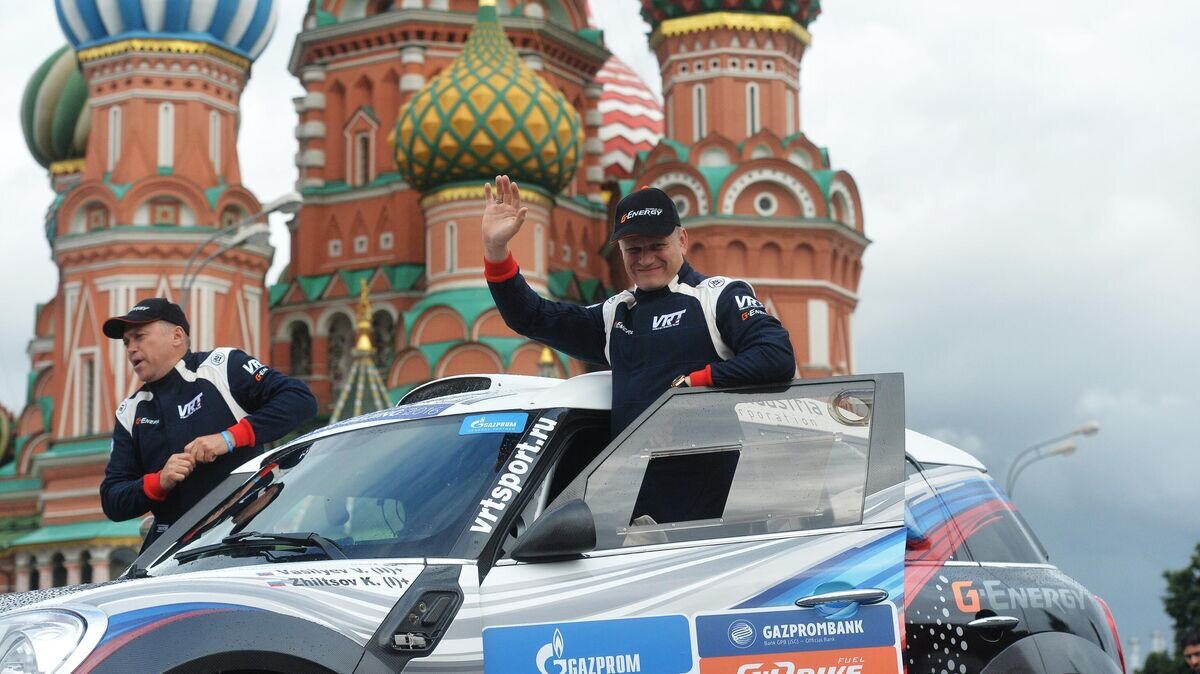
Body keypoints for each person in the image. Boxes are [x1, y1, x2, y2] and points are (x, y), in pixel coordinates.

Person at [482, 175, 796, 433]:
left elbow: (776, 356)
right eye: (633, 249)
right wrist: (496, 250)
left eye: (657, 246)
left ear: (682, 240)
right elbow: (531, 317)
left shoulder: (719, 296)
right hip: (628, 492)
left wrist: (697, 382)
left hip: (711, 494)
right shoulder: (615, 313)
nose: (645, 259)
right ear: (620, 250)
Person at [99, 298, 317, 549]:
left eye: (139, 336)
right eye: (126, 342)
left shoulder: (222, 365)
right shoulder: (130, 411)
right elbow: (112, 499)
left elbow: (300, 400)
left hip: (241, 537)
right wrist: (158, 482)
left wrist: (228, 438)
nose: (131, 348)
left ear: (177, 336)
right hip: (169, 551)